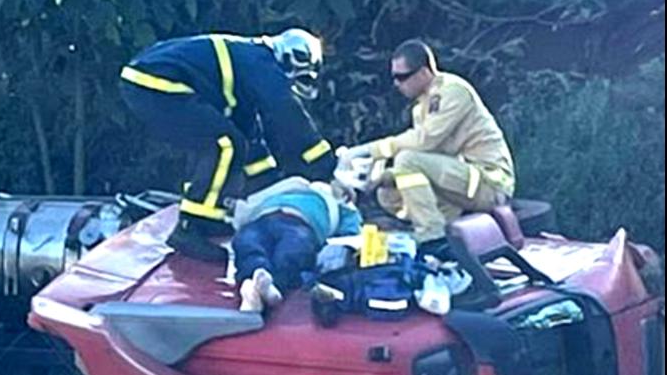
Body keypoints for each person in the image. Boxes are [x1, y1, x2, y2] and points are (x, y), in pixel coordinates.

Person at [118, 29, 337, 263]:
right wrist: (326, 166)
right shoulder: (261, 62)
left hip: (149, 81)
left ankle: (207, 216)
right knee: (224, 144)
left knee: (226, 139)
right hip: (156, 83)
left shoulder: (246, 69)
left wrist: (273, 187)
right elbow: (287, 115)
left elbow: (249, 139)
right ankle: (190, 226)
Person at [337, 39, 515, 259]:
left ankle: (433, 236)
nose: (396, 83)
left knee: (407, 159)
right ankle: (437, 228)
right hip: (461, 180)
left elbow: (424, 141)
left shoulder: (451, 91)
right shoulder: (422, 106)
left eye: (402, 77)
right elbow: (433, 157)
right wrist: (377, 178)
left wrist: (366, 150)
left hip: (489, 182)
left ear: (422, 72)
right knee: (388, 193)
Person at [229, 176, 363, 312]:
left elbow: (351, 233)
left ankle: (271, 288)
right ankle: (255, 284)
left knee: (292, 251)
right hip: (264, 216)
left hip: (300, 223)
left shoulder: (341, 209)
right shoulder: (299, 185)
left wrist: (349, 206)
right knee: (247, 241)